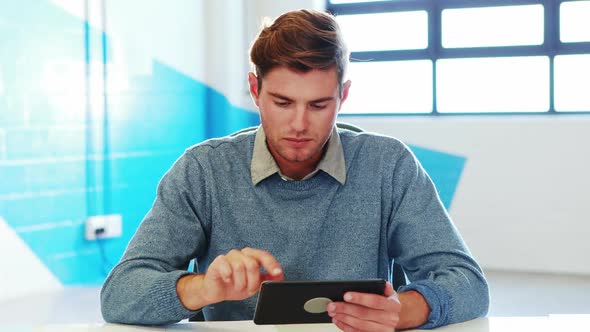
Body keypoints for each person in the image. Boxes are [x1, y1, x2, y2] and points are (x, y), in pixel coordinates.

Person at [101, 9, 489, 331]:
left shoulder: (388, 165)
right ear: (255, 90)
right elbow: (120, 293)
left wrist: (404, 310)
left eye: (319, 105)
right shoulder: (204, 170)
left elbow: (468, 282)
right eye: (283, 102)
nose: (300, 125)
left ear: (344, 95)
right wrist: (204, 288)